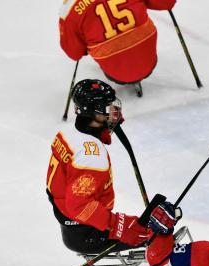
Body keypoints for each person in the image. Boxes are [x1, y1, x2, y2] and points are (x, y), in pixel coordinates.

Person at [46, 78, 154, 256]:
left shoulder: (68, 133)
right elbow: (80, 207)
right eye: (107, 107)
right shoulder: (91, 157)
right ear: (92, 113)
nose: (113, 110)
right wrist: (119, 226)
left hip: (70, 221)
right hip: (87, 233)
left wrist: (106, 124)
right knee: (146, 233)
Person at [58, 0, 176, 91]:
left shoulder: (69, 7)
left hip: (115, 70)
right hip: (147, 60)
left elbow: (74, 53)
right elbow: (167, 2)